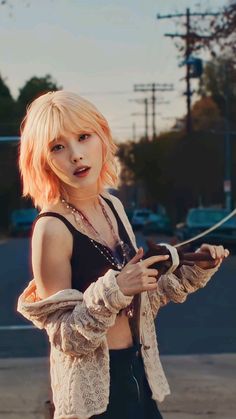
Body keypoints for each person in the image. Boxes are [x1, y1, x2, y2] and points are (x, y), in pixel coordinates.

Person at [17, 91, 229, 419]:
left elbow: (144, 299)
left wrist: (194, 266)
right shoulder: (52, 228)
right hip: (93, 398)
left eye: (83, 137)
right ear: (42, 159)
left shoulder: (112, 206)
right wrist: (115, 290)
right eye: (57, 147)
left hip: (138, 372)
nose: (75, 155)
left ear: (102, 136)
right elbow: (65, 336)